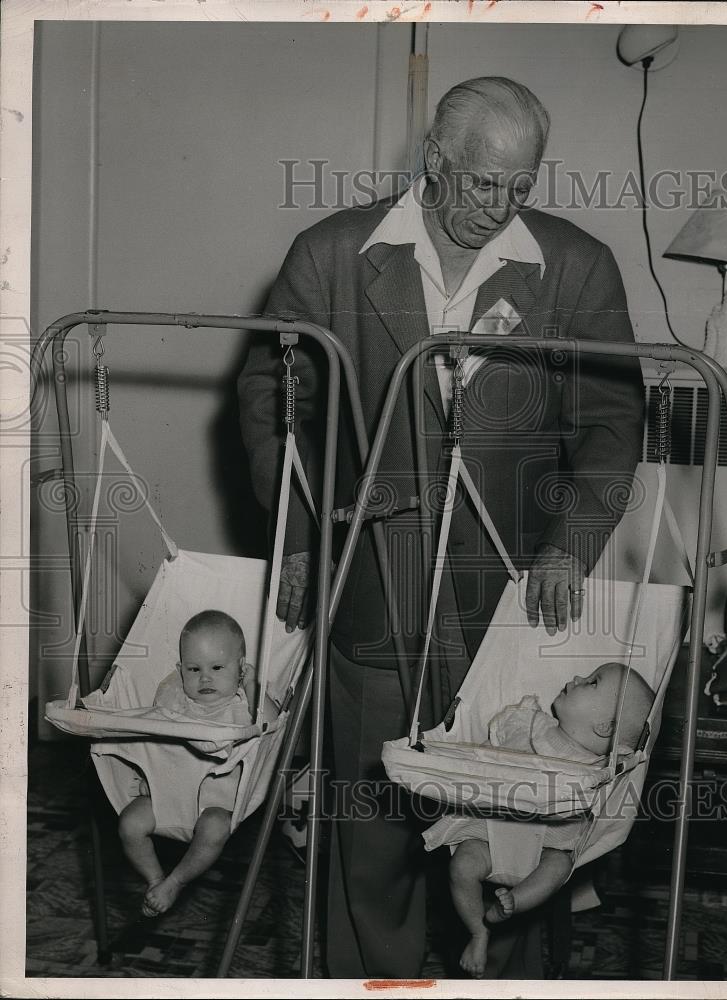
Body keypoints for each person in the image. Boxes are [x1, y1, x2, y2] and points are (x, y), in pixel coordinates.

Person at [238, 77, 644, 977]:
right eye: (481, 184)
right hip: (374, 581)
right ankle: (369, 981)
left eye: (521, 188)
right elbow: (277, 404)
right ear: (434, 161)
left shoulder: (576, 268)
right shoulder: (331, 254)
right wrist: (300, 536)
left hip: (509, 593)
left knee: (515, 818)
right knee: (373, 822)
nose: (499, 209)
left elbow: (615, 426)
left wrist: (568, 544)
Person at [422, 662, 655, 977]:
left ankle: (513, 903)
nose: (576, 678)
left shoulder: (600, 767)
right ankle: (479, 931)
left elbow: (620, 783)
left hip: (549, 841)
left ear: (604, 727)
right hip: (494, 828)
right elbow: (489, 745)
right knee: (462, 866)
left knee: (558, 867)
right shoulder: (527, 722)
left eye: (591, 682)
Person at [117, 610, 276, 916]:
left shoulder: (245, 705)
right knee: (129, 824)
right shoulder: (174, 699)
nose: (205, 677)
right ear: (180, 670)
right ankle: (155, 880)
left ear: (241, 668)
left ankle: (176, 880)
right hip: (165, 796)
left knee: (216, 829)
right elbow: (152, 719)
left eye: (217, 667)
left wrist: (255, 685)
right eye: (193, 669)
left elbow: (273, 724)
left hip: (214, 805)